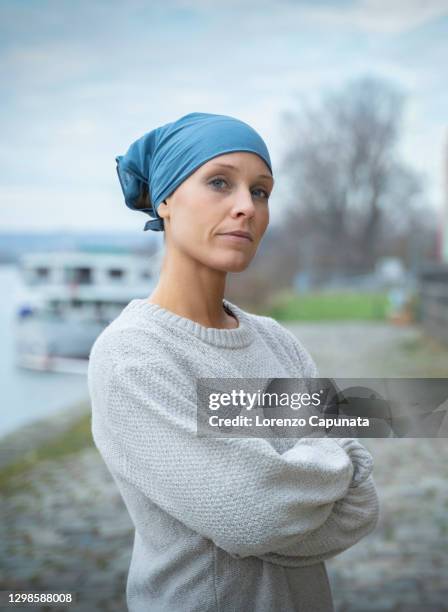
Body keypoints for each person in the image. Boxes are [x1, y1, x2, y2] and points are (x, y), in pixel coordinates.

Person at [88, 112, 379, 612]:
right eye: (219, 183)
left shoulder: (276, 341)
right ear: (165, 200)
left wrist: (291, 486)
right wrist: (339, 463)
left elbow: (362, 508)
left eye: (261, 191)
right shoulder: (133, 356)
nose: (246, 206)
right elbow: (255, 515)